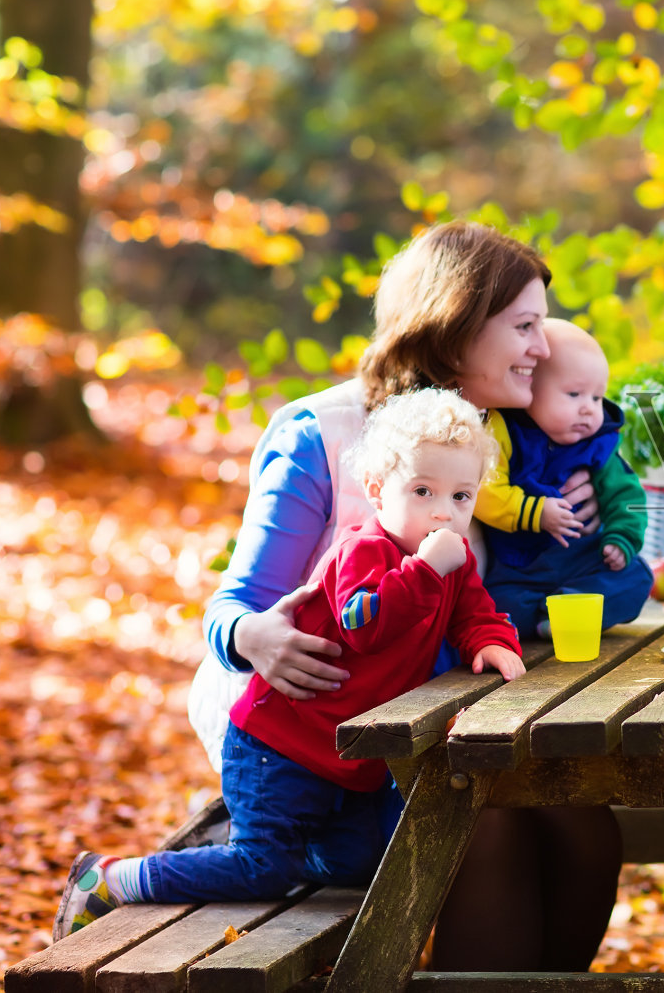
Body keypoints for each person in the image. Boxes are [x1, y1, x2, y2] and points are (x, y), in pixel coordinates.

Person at [184, 220, 621, 971]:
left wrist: (588, 520)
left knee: (586, 822)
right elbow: (233, 605)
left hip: (429, 722)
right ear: (454, 327)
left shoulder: (510, 441)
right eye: (523, 325)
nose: (543, 347)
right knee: (486, 825)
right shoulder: (323, 433)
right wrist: (253, 636)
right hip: (309, 744)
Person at [54, 390, 526, 937]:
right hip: (281, 744)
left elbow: (475, 612)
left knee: (364, 862)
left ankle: (245, 847)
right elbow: (365, 623)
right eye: (423, 491)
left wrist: (489, 642)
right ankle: (115, 879)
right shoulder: (363, 551)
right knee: (265, 870)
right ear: (376, 491)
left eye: (462, 496)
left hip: (349, 757)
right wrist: (423, 572)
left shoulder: (452, 559)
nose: (444, 512)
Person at [477, 319, 653, 638]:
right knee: (497, 603)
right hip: (520, 568)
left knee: (637, 578)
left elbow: (627, 497)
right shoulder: (503, 432)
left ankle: (560, 612)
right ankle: (551, 618)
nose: (589, 409)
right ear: (529, 388)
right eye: (574, 394)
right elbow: (484, 491)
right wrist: (534, 512)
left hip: (583, 562)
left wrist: (621, 539)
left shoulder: (598, 445)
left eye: (597, 398)